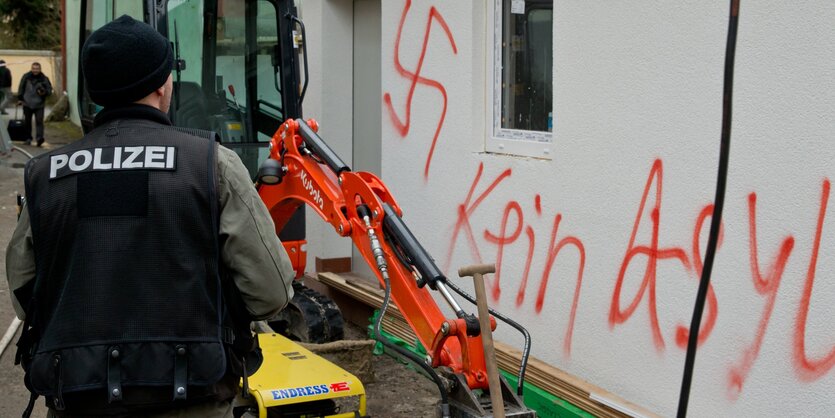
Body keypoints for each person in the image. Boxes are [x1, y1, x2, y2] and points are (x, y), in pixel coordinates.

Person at [5, 15, 296, 418]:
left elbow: (24, 294)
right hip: (193, 395)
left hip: (77, 395)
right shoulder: (212, 165)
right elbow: (271, 292)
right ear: (162, 86)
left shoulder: (44, 174)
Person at [17, 62, 52, 146]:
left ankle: (39, 138)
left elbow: (49, 91)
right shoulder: (26, 77)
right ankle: (28, 138)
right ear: (31, 68)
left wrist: (44, 92)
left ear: (40, 69)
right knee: (27, 122)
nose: (35, 70)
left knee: (39, 122)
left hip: (39, 104)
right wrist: (20, 99)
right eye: (34, 68)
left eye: (37, 69)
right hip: (27, 103)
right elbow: (21, 87)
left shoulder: (44, 78)